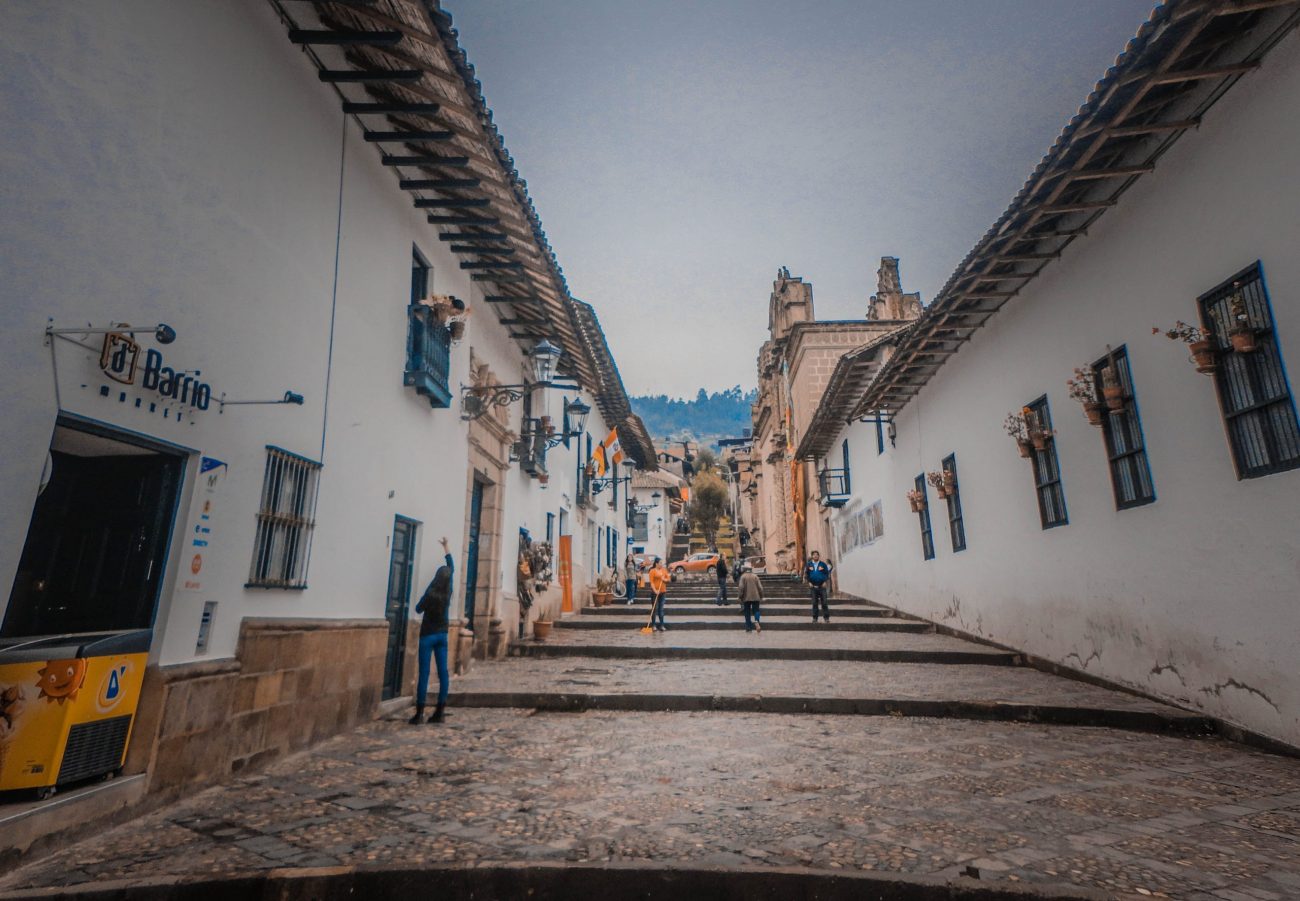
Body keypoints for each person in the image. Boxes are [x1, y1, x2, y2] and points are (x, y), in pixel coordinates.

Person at [412, 537, 453, 724]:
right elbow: (451, 567)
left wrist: (429, 589)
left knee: (424, 674)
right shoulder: (447, 593)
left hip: (427, 636)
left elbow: (418, 609)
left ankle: (419, 713)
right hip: (442, 635)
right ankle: (440, 711)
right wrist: (446, 548)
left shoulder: (431, 594)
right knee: (443, 673)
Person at [805, 550, 833, 623]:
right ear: (812, 556)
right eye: (814, 555)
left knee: (824, 603)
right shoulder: (809, 564)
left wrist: (825, 581)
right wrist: (809, 582)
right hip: (813, 587)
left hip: (822, 587)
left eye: (817, 554)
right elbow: (806, 574)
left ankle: (826, 618)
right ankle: (815, 618)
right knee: (814, 603)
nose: (815, 556)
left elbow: (826, 573)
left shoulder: (823, 564)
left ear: (818, 556)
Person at [737, 563, 763, 633]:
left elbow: (741, 587)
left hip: (746, 597)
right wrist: (761, 596)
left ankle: (748, 628)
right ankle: (757, 621)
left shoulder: (743, 577)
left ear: (745, 569)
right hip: (756, 596)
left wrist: (740, 596)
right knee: (756, 611)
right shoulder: (755, 576)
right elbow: (760, 588)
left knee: (747, 612)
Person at [647, 557, 670, 632]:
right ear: (656, 563)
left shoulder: (664, 570)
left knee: (661, 609)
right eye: (660, 563)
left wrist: (664, 579)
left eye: (662, 563)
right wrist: (655, 590)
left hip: (663, 592)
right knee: (655, 609)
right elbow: (652, 582)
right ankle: (653, 625)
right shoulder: (652, 571)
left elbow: (668, 579)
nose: (662, 564)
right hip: (655, 593)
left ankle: (662, 625)